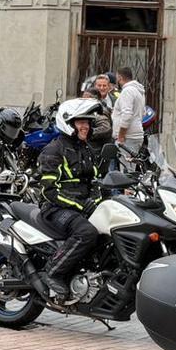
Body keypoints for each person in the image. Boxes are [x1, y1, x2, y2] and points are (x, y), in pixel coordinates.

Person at [36, 97, 114, 303]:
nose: (85, 126)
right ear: (67, 122)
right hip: (55, 209)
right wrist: (81, 204)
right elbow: (49, 191)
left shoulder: (85, 148)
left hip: (81, 206)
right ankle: (52, 271)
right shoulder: (54, 150)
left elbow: (95, 180)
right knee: (86, 232)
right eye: (80, 122)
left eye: (87, 122)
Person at [111, 67, 148, 160]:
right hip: (135, 134)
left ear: (119, 77)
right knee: (130, 169)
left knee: (126, 171)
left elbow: (127, 114)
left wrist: (121, 136)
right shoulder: (138, 91)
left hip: (127, 137)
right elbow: (143, 113)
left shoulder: (127, 91)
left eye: (117, 77)